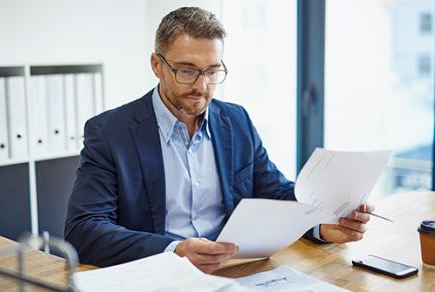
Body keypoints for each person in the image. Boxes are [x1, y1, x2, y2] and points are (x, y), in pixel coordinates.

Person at [64, 7, 374, 274]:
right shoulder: (110, 132)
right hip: (158, 276)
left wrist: (321, 224)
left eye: (212, 72)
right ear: (157, 65)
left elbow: (274, 193)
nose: (201, 86)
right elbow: (85, 229)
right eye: (187, 71)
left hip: (232, 270)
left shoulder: (236, 121)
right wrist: (173, 249)